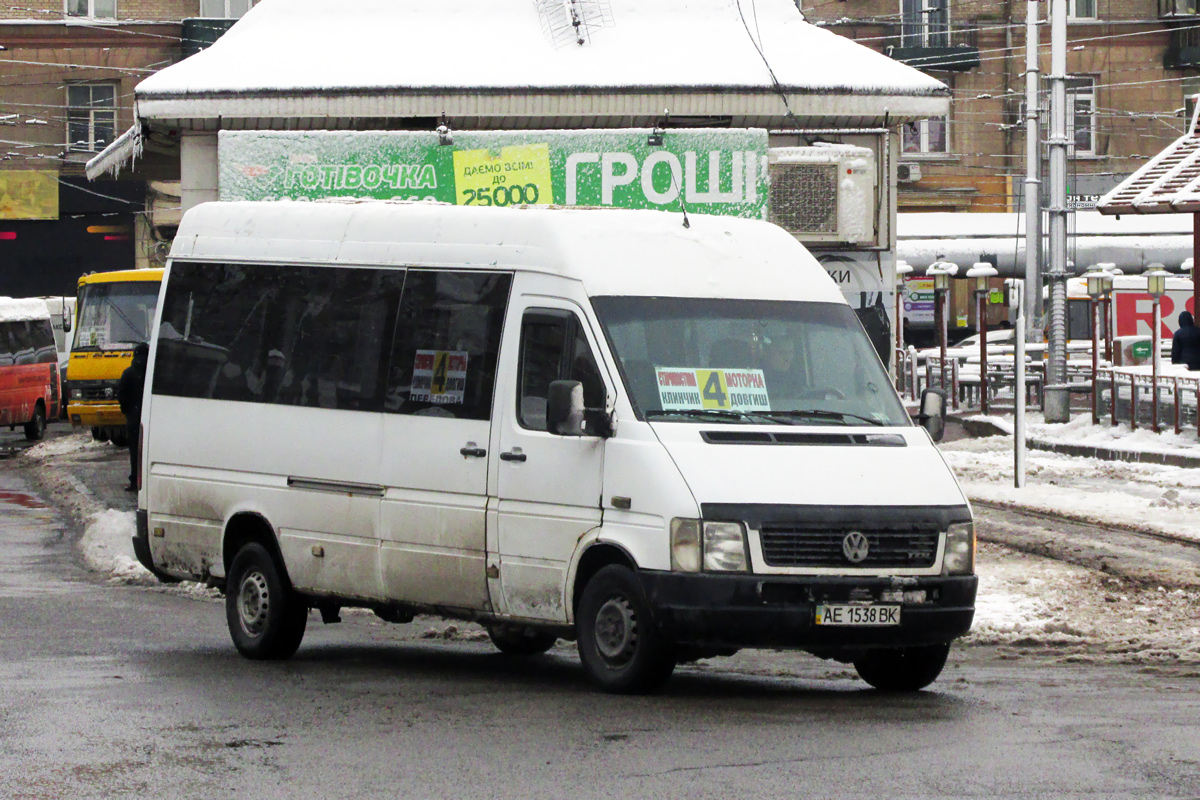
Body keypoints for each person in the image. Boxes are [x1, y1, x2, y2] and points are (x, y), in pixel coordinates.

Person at [117, 342, 150, 492]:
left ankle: (135, 481)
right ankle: (147, 481)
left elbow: (121, 394)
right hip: (149, 417)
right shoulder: (151, 373)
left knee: (134, 450)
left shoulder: (128, 373)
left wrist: (127, 410)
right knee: (148, 450)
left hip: (133, 416)